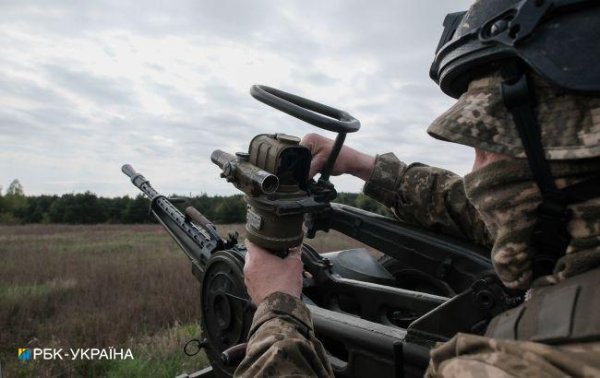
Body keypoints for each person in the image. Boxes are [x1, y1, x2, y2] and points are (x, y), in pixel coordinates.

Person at [235, 0, 600, 376]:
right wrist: (364, 166)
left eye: (490, 145)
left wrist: (277, 309)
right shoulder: (574, 223)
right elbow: (472, 209)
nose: (478, 170)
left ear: (566, 155)